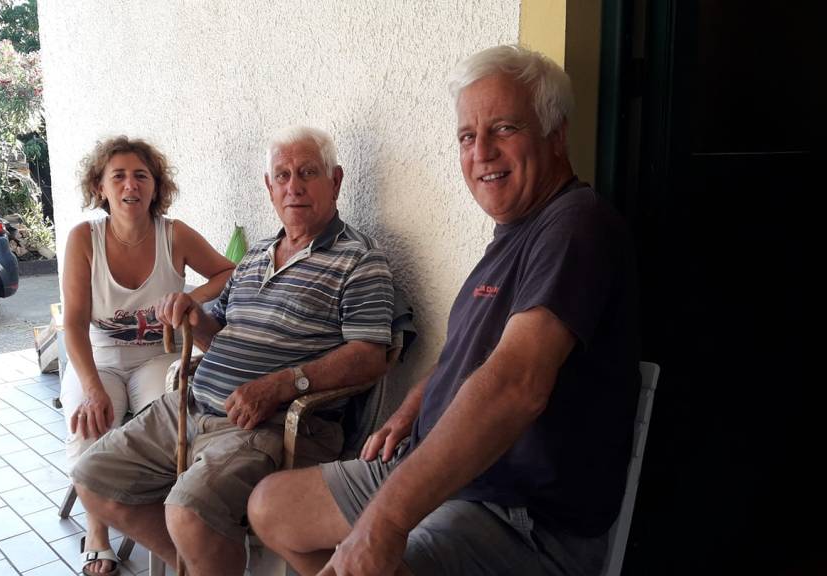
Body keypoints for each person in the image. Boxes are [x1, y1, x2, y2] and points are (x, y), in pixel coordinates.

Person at [248, 45, 641, 576]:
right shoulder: (515, 233)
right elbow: (471, 352)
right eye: (467, 136)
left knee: (375, 555)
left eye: (504, 128)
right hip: (443, 468)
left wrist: (384, 524)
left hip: (515, 511)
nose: (482, 152)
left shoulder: (575, 225)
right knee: (271, 506)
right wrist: (414, 404)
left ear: (556, 135)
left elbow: (515, 384)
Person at [70, 126, 396, 575]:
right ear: (268, 187)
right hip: (191, 406)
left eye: (307, 173)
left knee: (187, 512)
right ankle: (196, 564)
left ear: (335, 181)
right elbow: (216, 331)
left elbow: (370, 355)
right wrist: (194, 314)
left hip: (269, 424)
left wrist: (282, 385)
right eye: (281, 176)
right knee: (92, 478)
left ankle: (202, 560)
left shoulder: (358, 260)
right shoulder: (257, 255)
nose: (293, 187)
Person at [60, 136, 235, 576]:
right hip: (99, 357)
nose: (130, 185)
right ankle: (97, 534)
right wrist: (93, 390)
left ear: (156, 186)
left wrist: (190, 298)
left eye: (141, 176)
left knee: (170, 425)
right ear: (100, 187)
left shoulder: (173, 234)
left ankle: (160, 524)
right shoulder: (84, 239)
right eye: (118, 176)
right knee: (89, 423)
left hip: (158, 355)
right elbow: (74, 324)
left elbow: (227, 272)